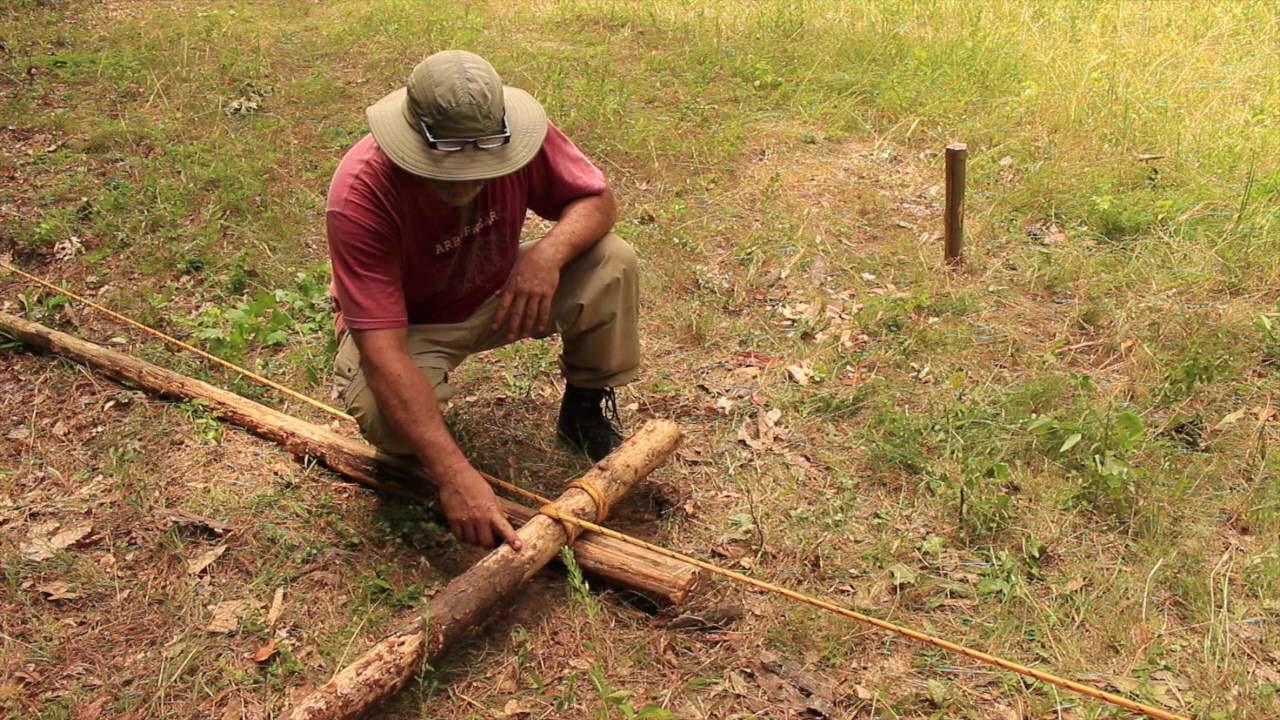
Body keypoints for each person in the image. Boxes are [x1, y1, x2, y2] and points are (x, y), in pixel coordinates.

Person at [326, 50, 640, 551]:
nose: (472, 181)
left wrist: (547, 256)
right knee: (386, 419)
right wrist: (453, 475)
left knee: (612, 260)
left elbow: (597, 200)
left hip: (502, 290)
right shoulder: (362, 194)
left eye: (484, 164)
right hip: (413, 325)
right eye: (451, 166)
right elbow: (382, 351)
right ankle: (425, 446)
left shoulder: (520, 135)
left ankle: (584, 406)